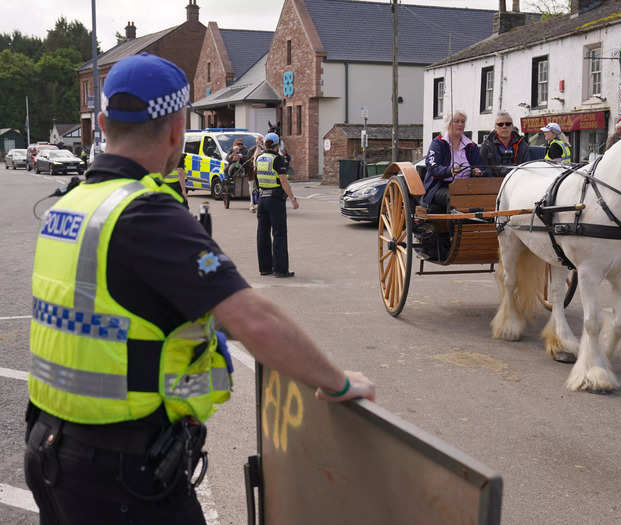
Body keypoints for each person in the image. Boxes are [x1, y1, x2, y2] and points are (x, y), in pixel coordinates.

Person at [24, 53, 374, 525]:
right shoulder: (148, 214)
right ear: (175, 130)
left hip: (49, 451)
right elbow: (255, 320)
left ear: (103, 123)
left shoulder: (69, 205)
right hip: (121, 474)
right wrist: (340, 382)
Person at [256, 132, 298, 278]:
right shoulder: (277, 159)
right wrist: (293, 199)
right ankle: (280, 269)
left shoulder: (259, 158)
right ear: (276, 145)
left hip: (262, 199)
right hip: (275, 200)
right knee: (279, 234)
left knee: (263, 234)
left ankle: (265, 268)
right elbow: (283, 181)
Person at [422, 110, 482, 212]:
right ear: (448, 124)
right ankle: (453, 227)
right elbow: (432, 167)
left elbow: (480, 166)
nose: (460, 124)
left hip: (467, 187)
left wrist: (477, 171)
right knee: (454, 196)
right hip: (441, 187)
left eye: (463, 121)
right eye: (456, 121)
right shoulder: (438, 143)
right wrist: (450, 170)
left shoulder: (472, 146)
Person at [479, 111, 529, 177]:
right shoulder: (486, 146)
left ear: (512, 127)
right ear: (495, 127)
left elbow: (527, 168)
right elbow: (483, 170)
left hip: (517, 182)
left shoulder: (522, 145)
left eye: (508, 124)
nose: (504, 127)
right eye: (500, 124)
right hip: (493, 184)